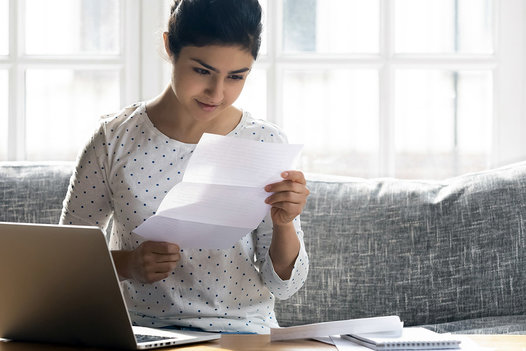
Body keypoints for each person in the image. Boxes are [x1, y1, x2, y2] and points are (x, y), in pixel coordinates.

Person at [60, 0, 309, 334]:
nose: (216, 93)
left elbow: (284, 287)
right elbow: (64, 262)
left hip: (241, 334)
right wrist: (128, 264)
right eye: (202, 71)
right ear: (169, 47)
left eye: (236, 76)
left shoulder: (264, 142)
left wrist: (284, 224)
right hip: (141, 331)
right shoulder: (113, 139)